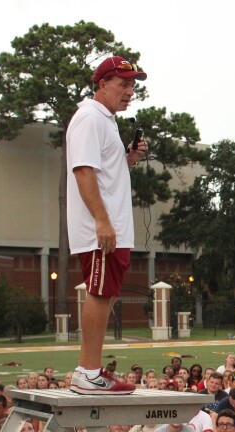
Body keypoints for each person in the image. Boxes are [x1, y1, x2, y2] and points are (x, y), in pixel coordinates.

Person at [66, 56, 147, 395]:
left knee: (107, 292)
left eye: (132, 85)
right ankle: (87, 372)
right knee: (99, 294)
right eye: (123, 84)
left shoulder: (107, 120)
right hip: (101, 226)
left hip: (113, 225)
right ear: (102, 84)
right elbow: (83, 170)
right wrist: (101, 219)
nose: (130, 91)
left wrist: (128, 158)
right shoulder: (90, 117)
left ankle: (93, 369)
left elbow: (105, 170)